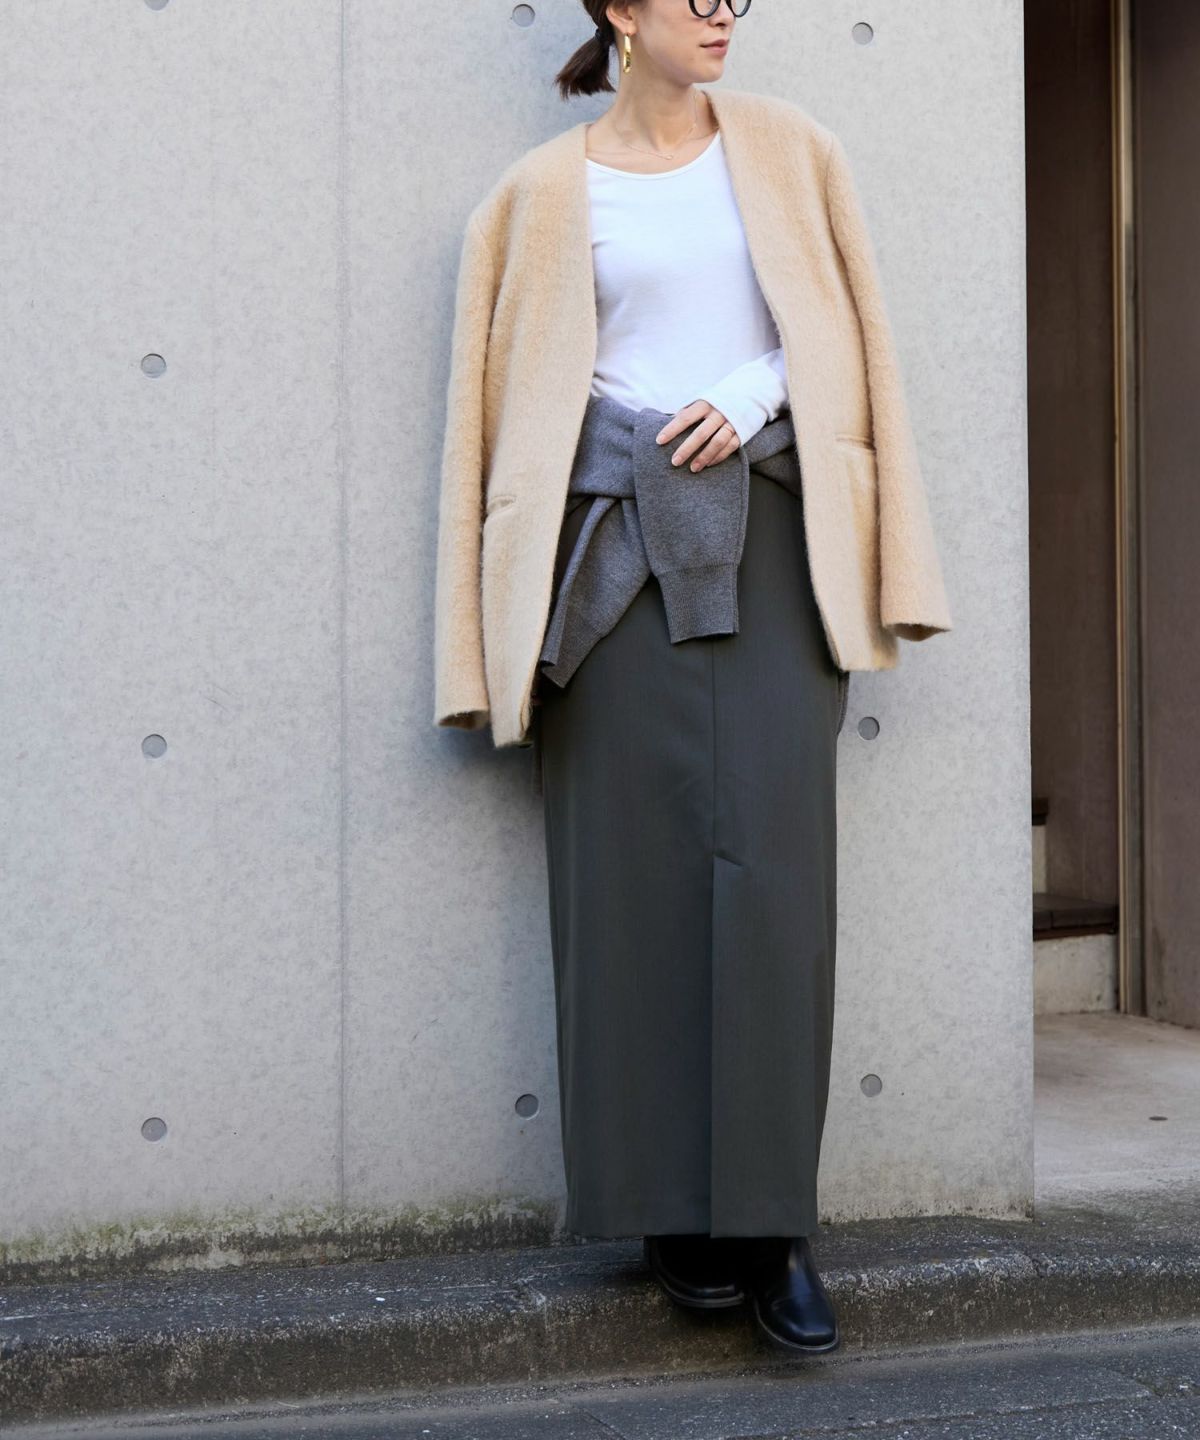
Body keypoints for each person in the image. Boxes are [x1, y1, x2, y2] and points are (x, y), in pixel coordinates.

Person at [432, 0, 953, 1357]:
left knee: (775, 881)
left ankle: (772, 1229)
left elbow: (849, 334)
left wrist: (755, 392)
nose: (723, 10)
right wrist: (476, 640)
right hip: (609, 564)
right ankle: (664, 1208)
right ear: (620, 9)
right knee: (627, 884)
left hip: (772, 542)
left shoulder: (791, 148)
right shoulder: (536, 196)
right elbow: (486, 434)